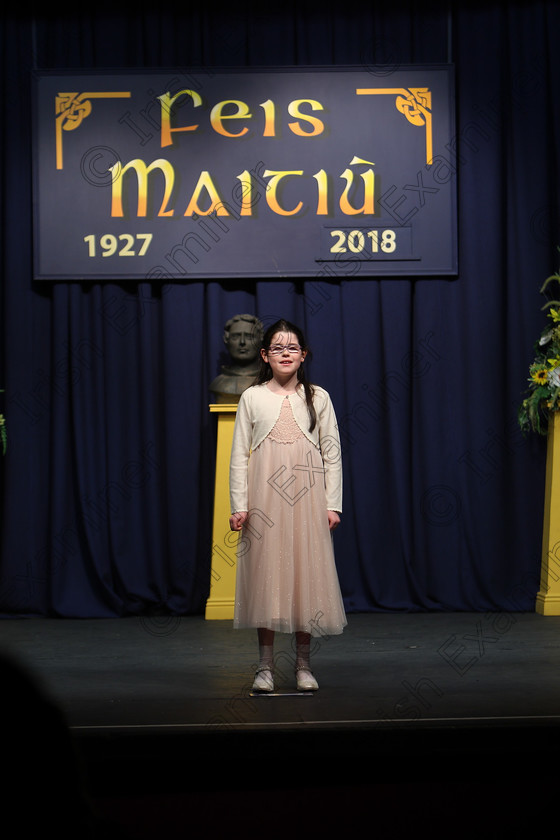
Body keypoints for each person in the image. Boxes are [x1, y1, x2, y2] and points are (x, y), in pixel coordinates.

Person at [229, 318, 346, 692]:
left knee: (304, 578)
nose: (285, 353)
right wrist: (240, 505)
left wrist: (333, 504)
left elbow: (332, 453)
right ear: (265, 355)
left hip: (307, 501)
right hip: (265, 502)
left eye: (292, 348)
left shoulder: (319, 397)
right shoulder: (252, 397)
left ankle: (303, 665)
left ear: (303, 355)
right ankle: (264, 667)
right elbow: (238, 457)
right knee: (267, 577)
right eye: (277, 348)